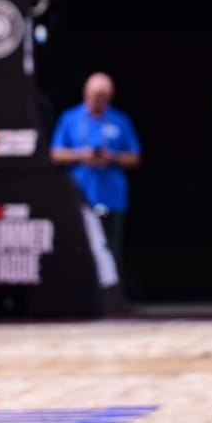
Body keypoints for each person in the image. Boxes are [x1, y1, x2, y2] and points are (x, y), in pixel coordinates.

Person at [50, 72, 141, 288]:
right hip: (80, 196)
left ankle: (111, 296)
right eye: (94, 96)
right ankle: (79, 293)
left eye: (102, 97)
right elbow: (55, 154)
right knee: (79, 249)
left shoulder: (120, 120)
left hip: (112, 195)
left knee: (111, 250)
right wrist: (82, 155)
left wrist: (113, 157)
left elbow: (135, 156)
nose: (97, 101)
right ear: (86, 94)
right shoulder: (70, 118)